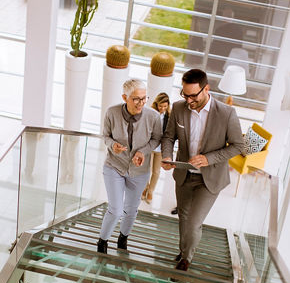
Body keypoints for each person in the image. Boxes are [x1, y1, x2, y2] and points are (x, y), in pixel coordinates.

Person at [161, 69, 244, 271]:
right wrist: (167, 156)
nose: (189, 100)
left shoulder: (227, 113)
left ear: (206, 89)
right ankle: (183, 251)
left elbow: (237, 146)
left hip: (210, 179)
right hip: (184, 174)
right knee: (183, 217)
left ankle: (186, 259)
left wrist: (208, 159)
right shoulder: (179, 108)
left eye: (193, 95)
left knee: (193, 222)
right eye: (185, 95)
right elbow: (169, 137)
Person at [97, 79, 162, 254]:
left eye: (144, 98)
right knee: (116, 209)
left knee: (131, 210)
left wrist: (143, 152)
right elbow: (105, 136)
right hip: (114, 167)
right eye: (136, 99)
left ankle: (123, 238)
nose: (141, 103)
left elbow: (156, 139)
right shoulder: (112, 112)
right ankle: (102, 241)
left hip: (139, 171)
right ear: (125, 97)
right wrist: (112, 145)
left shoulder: (153, 117)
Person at [142, 92, 171, 203]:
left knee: (156, 171)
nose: (163, 108)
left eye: (165, 106)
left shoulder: (169, 117)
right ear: (156, 104)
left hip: (160, 149)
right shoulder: (150, 113)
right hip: (149, 146)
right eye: (160, 106)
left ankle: (151, 191)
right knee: (146, 170)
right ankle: (145, 188)